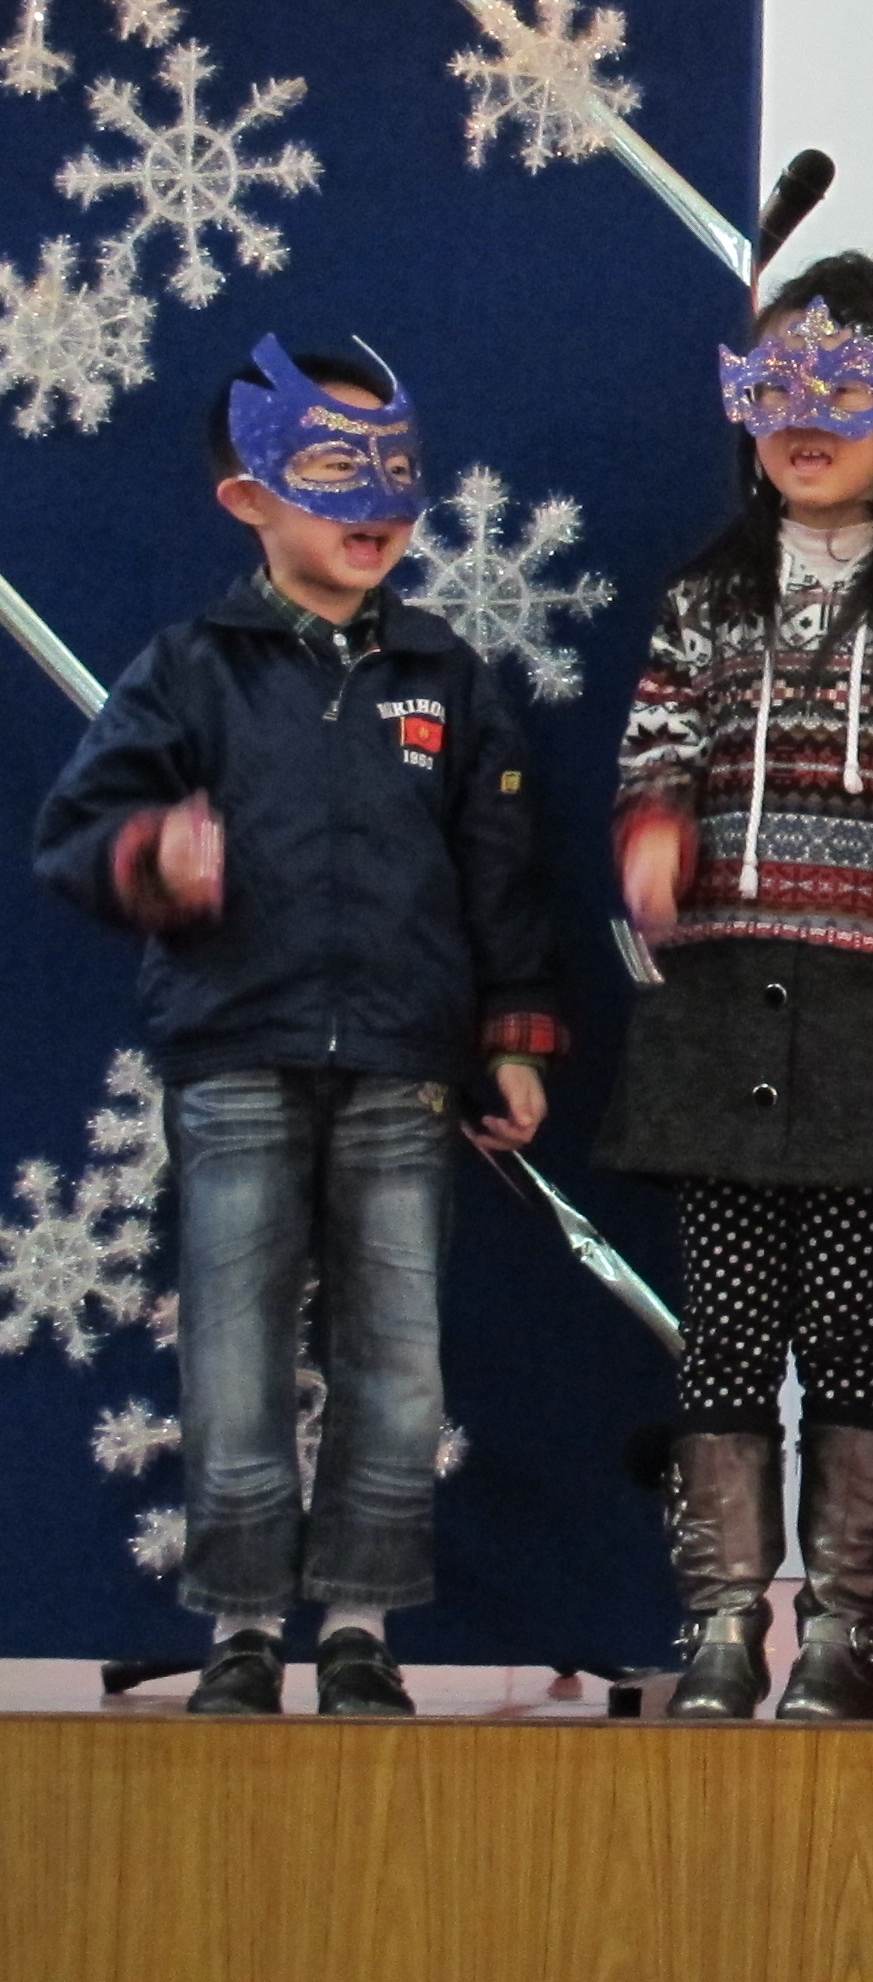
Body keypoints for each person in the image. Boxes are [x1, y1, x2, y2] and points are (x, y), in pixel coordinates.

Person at [33, 339, 559, 1719]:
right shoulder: (190, 669)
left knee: (397, 1361)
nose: (372, 502)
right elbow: (76, 833)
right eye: (332, 469)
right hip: (235, 1056)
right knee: (234, 1358)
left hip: (401, 1065)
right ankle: (244, 1627)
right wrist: (150, 854)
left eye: (394, 471)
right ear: (250, 498)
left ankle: (362, 1626)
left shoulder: (447, 674)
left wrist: (513, 1033)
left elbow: (502, 869)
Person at [597, 259, 873, 1723]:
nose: (806, 428)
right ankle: (718, 1618)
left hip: (869, 1003)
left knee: (854, 1322)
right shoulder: (707, 592)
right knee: (727, 1322)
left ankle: (843, 1624)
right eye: (776, 398)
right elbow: (655, 745)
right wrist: (653, 829)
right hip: (721, 990)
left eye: (842, 398)